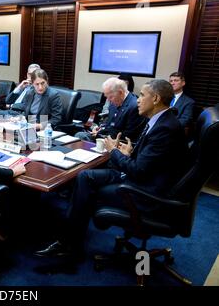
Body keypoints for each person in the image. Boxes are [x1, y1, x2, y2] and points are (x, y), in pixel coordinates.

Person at [35, 79, 189, 263]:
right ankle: (69, 239)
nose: (137, 99)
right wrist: (129, 152)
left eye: (141, 95)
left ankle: (69, 243)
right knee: (84, 176)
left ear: (155, 98)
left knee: (86, 181)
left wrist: (114, 151)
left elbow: (139, 171)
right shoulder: (161, 120)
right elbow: (150, 161)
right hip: (143, 179)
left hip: (145, 193)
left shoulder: (165, 127)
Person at [76, 77, 146, 143]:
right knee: (79, 135)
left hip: (118, 143)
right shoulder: (114, 102)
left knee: (81, 136)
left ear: (121, 92)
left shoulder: (134, 106)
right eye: (107, 97)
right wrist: (100, 128)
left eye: (111, 97)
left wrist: (100, 134)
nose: (109, 100)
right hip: (106, 137)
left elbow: (128, 136)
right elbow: (110, 124)